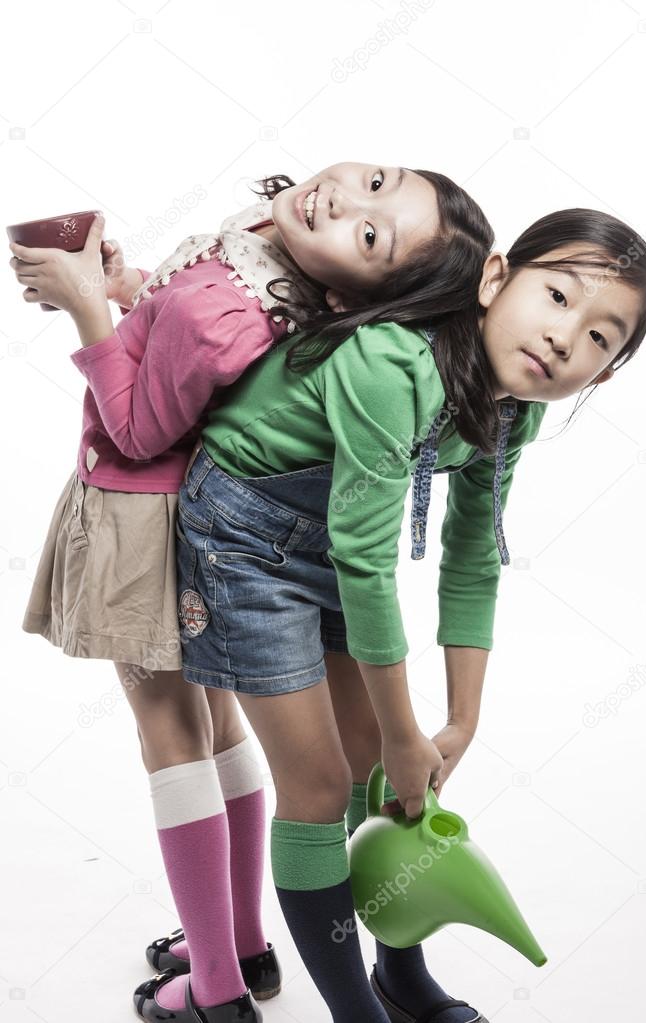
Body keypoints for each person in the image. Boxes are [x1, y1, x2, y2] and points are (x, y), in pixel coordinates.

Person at [9, 161, 496, 1023]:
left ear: (358, 296)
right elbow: (185, 333)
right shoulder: (283, 273)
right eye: (376, 180)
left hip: (140, 508)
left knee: (169, 731)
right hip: (216, 512)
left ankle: (217, 991)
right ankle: (237, 943)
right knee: (223, 723)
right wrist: (126, 287)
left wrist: (85, 307)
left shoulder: (229, 313)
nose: (351, 199)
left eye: (373, 233)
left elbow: (135, 426)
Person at [171, 203, 646, 1022]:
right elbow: (367, 560)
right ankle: (355, 1011)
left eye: (603, 337)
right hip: (241, 537)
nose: (567, 336)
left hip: (326, 542)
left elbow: (472, 561)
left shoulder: (512, 410)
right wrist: (405, 733)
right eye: (559, 296)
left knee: (382, 777)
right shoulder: (394, 364)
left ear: (603, 376)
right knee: (323, 786)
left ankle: (401, 972)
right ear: (497, 278)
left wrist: (457, 722)